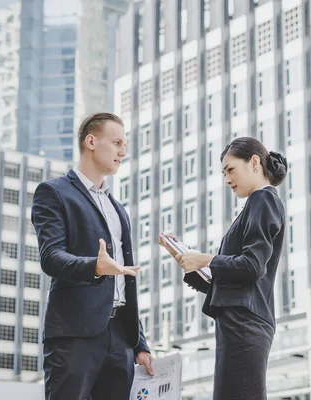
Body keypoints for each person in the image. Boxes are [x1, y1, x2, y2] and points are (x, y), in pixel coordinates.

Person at [32, 112, 154, 400]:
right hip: (75, 335)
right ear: (91, 141)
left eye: (124, 145)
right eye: (116, 143)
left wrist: (140, 343)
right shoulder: (54, 192)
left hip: (121, 338)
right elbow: (51, 257)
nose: (123, 152)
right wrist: (95, 267)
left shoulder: (119, 209)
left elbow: (124, 283)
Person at [174, 137, 287, 400]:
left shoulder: (262, 199)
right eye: (224, 173)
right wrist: (194, 264)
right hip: (240, 320)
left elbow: (252, 266)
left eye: (230, 169)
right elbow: (240, 275)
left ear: (255, 163)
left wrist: (205, 259)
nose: (227, 179)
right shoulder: (256, 203)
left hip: (245, 322)